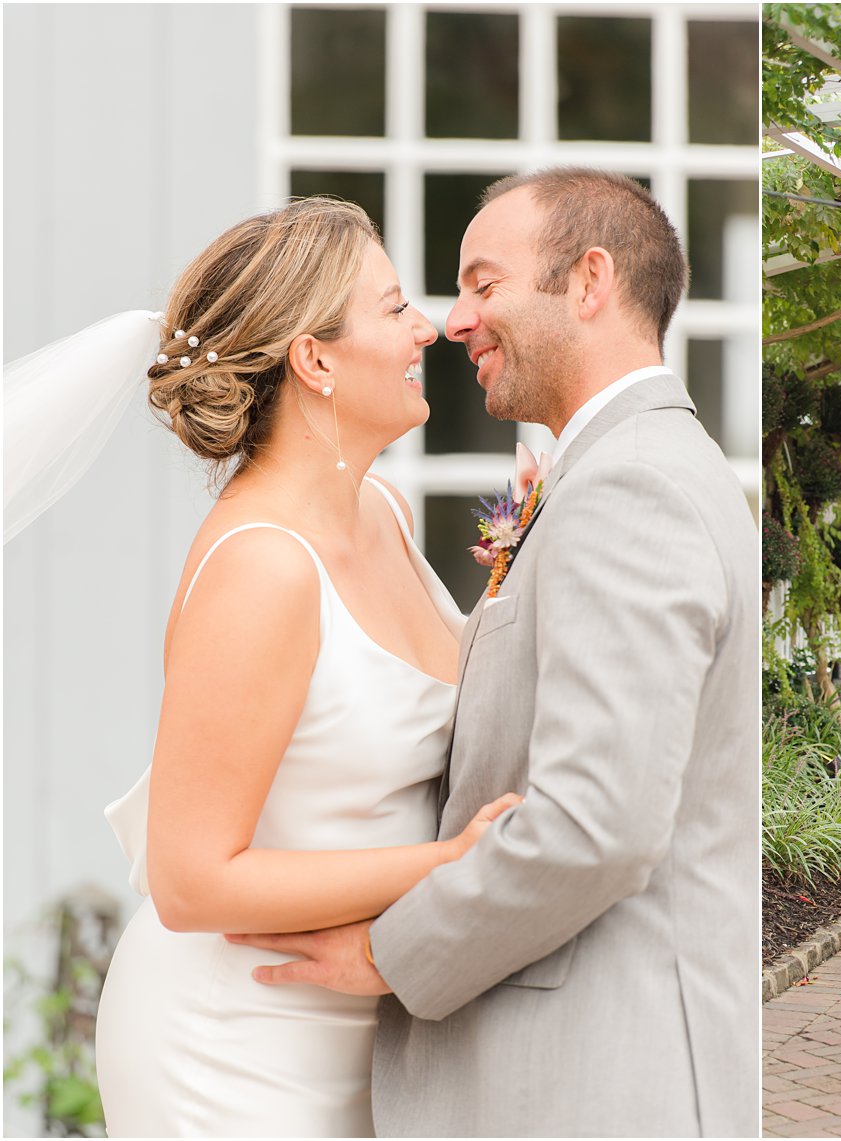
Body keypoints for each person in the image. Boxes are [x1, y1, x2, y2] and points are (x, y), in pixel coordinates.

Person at [231, 168, 760, 1137]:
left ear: (589, 281)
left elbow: (593, 824)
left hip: (593, 1081)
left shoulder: (628, 489)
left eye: (483, 283)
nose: (454, 318)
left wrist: (391, 955)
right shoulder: (613, 475)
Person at [88, 198, 520, 1136]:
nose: (428, 329)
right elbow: (190, 879)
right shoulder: (263, 566)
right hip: (231, 1043)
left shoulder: (386, 514)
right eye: (396, 307)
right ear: (315, 360)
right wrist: (446, 865)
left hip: (360, 1025)